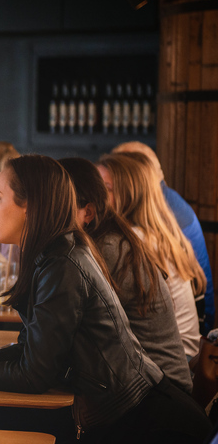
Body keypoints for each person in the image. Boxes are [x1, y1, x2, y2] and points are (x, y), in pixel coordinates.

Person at [0, 155, 211, 444]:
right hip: (122, 411)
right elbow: (34, 353)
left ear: (30, 207)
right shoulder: (56, 253)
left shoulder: (64, 263)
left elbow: (34, 374)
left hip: (148, 425)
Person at [59, 157, 192, 394]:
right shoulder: (105, 240)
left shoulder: (107, 249)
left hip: (161, 396)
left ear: (88, 211)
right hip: (142, 385)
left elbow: (63, 340)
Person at [97, 152, 205, 359]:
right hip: (184, 357)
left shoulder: (133, 242)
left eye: (106, 189)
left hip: (172, 364)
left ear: (129, 195)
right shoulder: (157, 234)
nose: (96, 196)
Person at [112, 141, 214, 334]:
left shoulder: (159, 216)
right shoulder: (168, 201)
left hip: (194, 333)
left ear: (132, 176)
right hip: (196, 327)